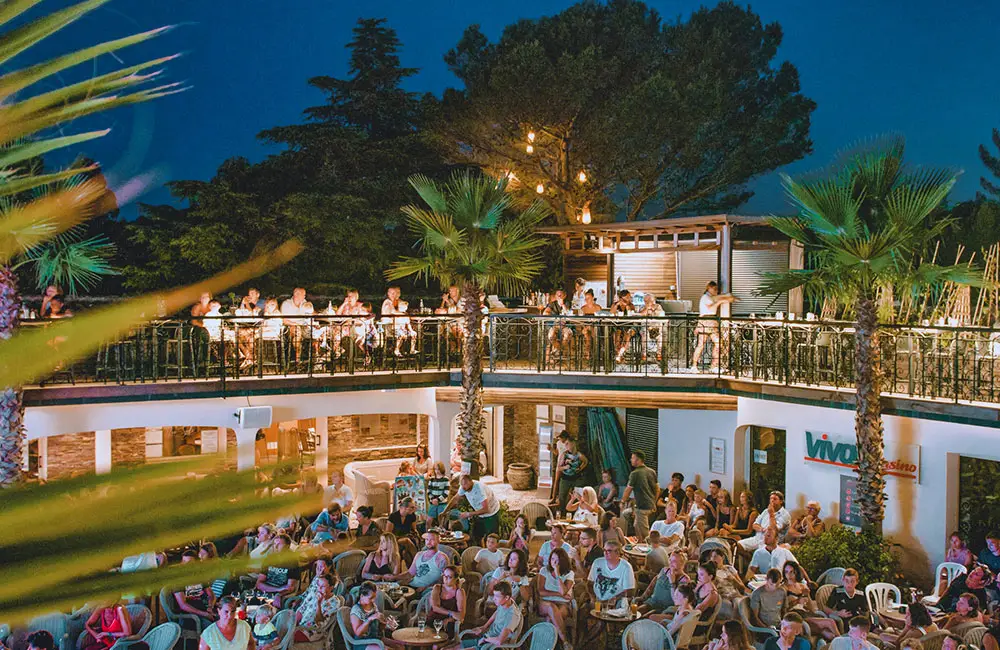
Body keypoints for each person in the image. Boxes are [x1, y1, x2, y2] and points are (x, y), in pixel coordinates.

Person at [459, 582, 522, 649]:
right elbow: (496, 613)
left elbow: (499, 641)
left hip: (494, 646)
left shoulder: (512, 615)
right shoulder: (505, 603)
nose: (494, 599)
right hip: (487, 638)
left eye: (497, 596)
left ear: (506, 597)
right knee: (456, 647)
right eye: (494, 595)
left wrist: (485, 639)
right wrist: (484, 627)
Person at [690, 281, 735, 370]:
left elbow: (715, 302)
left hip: (712, 321)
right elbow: (711, 305)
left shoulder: (709, 297)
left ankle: (714, 365)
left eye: (716, 289)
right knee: (701, 344)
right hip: (706, 321)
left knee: (718, 343)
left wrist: (725, 299)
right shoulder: (705, 297)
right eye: (714, 289)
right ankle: (694, 366)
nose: (716, 291)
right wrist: (723, 299)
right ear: (709, 288)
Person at [537, 547, 576, 649]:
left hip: (563, 604)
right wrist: (558, 594)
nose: (554, 562)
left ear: (563, 561)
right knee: (551, 607)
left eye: (557, 560)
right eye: (552, 559)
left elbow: (563, 591)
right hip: (545, 602)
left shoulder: (569, 573)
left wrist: (557, 573)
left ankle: (547, 646)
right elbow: (541, 592)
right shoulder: (544, 570)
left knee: (550, 618)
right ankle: (565, 641)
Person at [446, 474, 501, 544]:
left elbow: (486, 509)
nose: (463, 487)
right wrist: (444, 511)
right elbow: (455, 499)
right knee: (476, 535)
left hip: (491, 513)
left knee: (491, 538)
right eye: (461, 484)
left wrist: (468, 514)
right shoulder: (464, 487)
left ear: (471, 481)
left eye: (465, 484)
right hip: (479, 513)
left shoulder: (479, 490)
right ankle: (480, 549)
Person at [350, 582, 402, 650]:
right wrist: (369, 619)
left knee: (400, 646)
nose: (373, 600)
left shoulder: (373, 606)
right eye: (371, 598)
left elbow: (379, 628)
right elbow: (358, 633)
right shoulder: (356, 610)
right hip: (362, 643)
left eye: (374, 597)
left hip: (375, 638)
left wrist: (387, 624)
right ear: (362, 596)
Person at [620, 450, 659, 541]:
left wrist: (622, 501)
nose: (631, 460)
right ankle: (640, 543)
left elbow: (628, 489)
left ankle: (649, 545)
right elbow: (657, 489)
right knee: (636, 525)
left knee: (644, 532)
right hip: (649, 505)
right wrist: (654, 502)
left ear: (638, 460)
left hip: (642, 506)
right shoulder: (652, 471)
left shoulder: (635, 474)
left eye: (632, 458)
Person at [637, 549, 690, 613]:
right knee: (637, 612)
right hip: (652, 602)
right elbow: (653, 582)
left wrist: (672, 582)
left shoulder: (684, 579)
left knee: (648, 615)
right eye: (670, 560)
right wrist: (643, 597)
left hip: (665, 609)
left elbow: (677, 601)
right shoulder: (664, 570)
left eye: (674, 561)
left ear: (682, 563)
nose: (670, 563)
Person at [255, 534, 300, 607]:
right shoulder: (269, 559)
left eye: (279, 544)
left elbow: (290, 587)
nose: (275, 547)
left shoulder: (292, 562)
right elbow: (259, 584)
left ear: (287, 546)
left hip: (277, 595)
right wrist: (278, 589)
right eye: (274, 544)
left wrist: (279, 594)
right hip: (264, 593)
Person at [175, 551, 217, 627]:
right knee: (214, 627)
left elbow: (211, 595)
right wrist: (204, 614)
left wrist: (210, 606)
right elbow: (183, 605)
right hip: (190, 616)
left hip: (204, 610)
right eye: (183, 562)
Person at [588, 540, 636, 606]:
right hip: (596, 601)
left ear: (617, 552)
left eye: (609, 551)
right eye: (604, 550)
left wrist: (613, 600)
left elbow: (629, 591)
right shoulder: (597, 562)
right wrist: (592, 598)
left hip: (615, 602)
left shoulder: (626, 567)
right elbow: (590, 583)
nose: (605, 553)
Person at [428, 565, 466, 636]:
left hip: (449, 622)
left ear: (455, 579)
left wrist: (450, 619)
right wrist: (451, 613)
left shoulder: (459, 592)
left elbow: (461, 615)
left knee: (448, 627)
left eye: (449, 577)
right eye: (444, 576)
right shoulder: (437, 588)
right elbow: (435, 608)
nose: (445, 578)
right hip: (434, 618)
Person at [380, 287, 417, 356]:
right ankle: (397, 350)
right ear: (388, 294)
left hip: (399, 326)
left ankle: (412, 350)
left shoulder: (396, 301)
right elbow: (393, 311)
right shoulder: (387, 302)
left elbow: (404, 304)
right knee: (401, 334)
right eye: (392, 293)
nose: (395, 295)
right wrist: (404, 314)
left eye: (397, 293)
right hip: (389, 327)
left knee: (413, 333)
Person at [556, 435, 589, 512]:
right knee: (562, 496)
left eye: (568, 443)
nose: (566, 445)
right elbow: (559, 468)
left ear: (573, 444)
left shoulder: (579, 454)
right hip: (565, 478)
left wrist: (580, 468)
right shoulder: (564, 455)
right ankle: (562, 513)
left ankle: (573, 512)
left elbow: (586, 461)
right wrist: (565, 467)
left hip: (576, 478)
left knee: (576, 496)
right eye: (566, 444)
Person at [544, 289, 573, 361]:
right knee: (551, 336)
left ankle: (556, 350)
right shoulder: (552, 304)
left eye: (561, 295)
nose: (559, 296)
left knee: (567, 335)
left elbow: (568, 313)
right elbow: (545, 313)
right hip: (555, 325)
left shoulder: (568, 303)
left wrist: (562, 305)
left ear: (564, 296)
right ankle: (559, 349)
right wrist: (555, 318)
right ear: (555, 296)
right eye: (557, 295)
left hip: (565, 326)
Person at [610, 289, 636, 363]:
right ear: (622, 297)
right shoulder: (615, 304)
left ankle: (619, 355)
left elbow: (632, 315)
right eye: (627, 297)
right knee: (617, 334)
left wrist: (627, 306)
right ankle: (619, 354)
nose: (629, 298)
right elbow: (611, 314)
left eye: (629, 297)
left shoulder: (631, 305)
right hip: (618, 325)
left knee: (627, 335)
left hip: (629, 325)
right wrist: (617, 305)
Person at [426, 461, 450, 527]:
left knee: (441, 522)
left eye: (438, 469)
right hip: (433, 503)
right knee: (428, 521)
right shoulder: (432, 479)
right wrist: (433, 499)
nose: (437, 471)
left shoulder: (446, 479)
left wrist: (438, 500)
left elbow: (446, 492)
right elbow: (428, 491)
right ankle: (427, 533)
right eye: (435, 469)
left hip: (442, 503)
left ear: (441, 469)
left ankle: (441, 532)